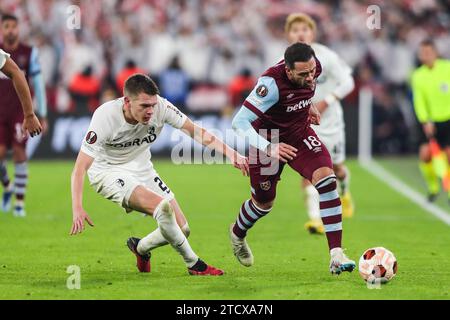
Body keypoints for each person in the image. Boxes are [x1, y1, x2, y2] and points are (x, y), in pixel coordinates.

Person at [70, 74, 249, 276]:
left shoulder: (161, 107)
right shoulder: (105, 116)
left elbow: (195, 131)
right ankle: (194, 264)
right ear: (127, 102)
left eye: (152, 105)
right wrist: (78, 207)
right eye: (144, 106)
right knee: (161, 207)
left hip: (141, 167)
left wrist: (232, 153)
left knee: (182, 230)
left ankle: (141, 248)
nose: (150, 111)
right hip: (107, 171)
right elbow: (80, 168)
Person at [230, 42, 355, 275]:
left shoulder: (313, 65)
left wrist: (307, 106)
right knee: (263, 203)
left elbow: (303, 91)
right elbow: (239, 123)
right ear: (288, 71)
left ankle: (336, 254)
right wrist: (270, 148)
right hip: (268, 139)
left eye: (312, 72)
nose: (310, 77)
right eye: (303, 74)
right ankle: (237, 234)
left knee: (327, 181)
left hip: (299, 134)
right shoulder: (271, 84)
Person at [284, 13, 355, 234]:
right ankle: (316, 219)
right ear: (288, 35)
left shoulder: (327, 56)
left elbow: (348, 82)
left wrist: (327, 101)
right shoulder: (283, 61)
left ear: (312, 33)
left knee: (337, 169)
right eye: (295, 30)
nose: (300, 33)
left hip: (330, 122)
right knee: (310, 171)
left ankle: (345, 191)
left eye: (304, 29)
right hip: (303, 125)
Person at [0, 14, 47, 217]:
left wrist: (38, 113)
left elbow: (35, 82)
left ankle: (19, 204)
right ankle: (8, 186)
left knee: (19, 152)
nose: (10, 30)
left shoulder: (28, 53)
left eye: (13, 26)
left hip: (19, 111)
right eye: (6, 26)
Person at [411, 39, 450, 203]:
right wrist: (425, 121)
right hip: (430, 122)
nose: (425, 56)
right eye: (422, 53)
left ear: (435, 52)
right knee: (426, 155)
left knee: (448, 156)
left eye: (428, 52)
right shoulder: (418, 75)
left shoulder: (447, 68)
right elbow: (419, 101)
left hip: (448, 119)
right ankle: (433, 188)